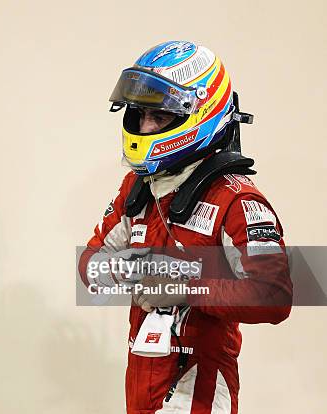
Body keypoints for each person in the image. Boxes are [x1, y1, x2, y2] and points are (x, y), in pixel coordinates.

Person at [78, 41, 292, 414]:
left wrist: (182, 285)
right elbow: (90, 268)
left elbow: (273, 295)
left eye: (158, 118)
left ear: (198, 114)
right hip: (142, 385)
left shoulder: (237, 199)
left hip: (199, 395)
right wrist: (141, 269)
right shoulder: (137, 188)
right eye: (140, 114)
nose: (144, 126)